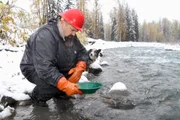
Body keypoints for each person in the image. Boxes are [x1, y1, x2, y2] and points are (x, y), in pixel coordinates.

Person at [20, 8, 88, 107]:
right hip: (34, 68)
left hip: (55, 65)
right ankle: (37, 98)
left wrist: (80, 67)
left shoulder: (70, 34)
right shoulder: (45, 35)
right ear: (63, 21)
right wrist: (65, 85)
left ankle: (60, 94)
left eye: (76, 31)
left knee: (70, 76)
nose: (74, 34)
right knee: (52, 84)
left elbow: (82, 52)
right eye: (73, 29)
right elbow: (45, 68)